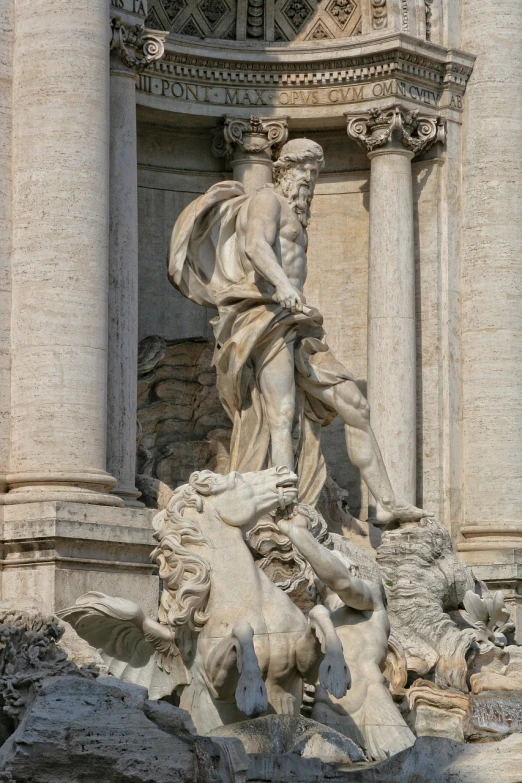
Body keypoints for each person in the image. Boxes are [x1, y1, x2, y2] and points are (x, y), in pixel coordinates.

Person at [169, 137, 429, 524]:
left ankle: (387, 502)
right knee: (282, 411)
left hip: (297, 323)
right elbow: (257, 246)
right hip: (264, 316)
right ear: (284, 169)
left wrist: (292, 295)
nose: (308, 181)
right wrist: (284, 287)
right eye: (303, 171)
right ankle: (284, 505)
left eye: (314, 174)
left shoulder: (295, 215)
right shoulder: (267, 200)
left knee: (355, 406)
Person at [276, 505, 416, 761]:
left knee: (407, 768)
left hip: (373, 709)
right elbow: (306, 669)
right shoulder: (315, 619)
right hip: (325, 712)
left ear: (351, 569)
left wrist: (300, 536)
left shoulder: (371, 603)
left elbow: (341, 583)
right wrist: (315, 626)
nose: (321, 568)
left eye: (329, 560)